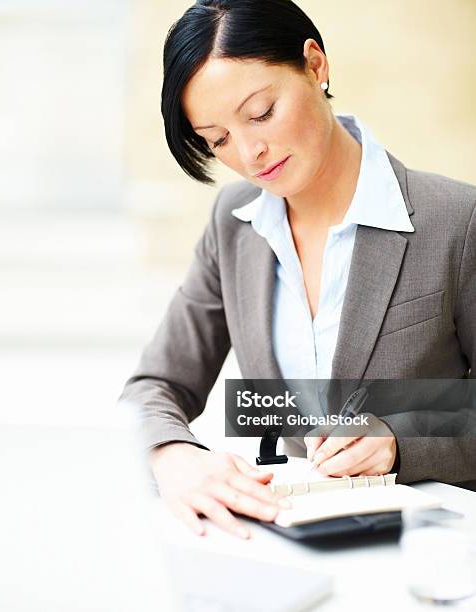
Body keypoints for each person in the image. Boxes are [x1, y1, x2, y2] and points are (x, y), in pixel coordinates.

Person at [119, 0, 476, 538]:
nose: (250, 151)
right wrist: (174, 456)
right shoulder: (234, 224)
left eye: (261, 112)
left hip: (430, 549)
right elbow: (154, 386)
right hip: (285, 535)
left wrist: (401, 440)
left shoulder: (456, 220)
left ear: (315, 65)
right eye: (218, 139)